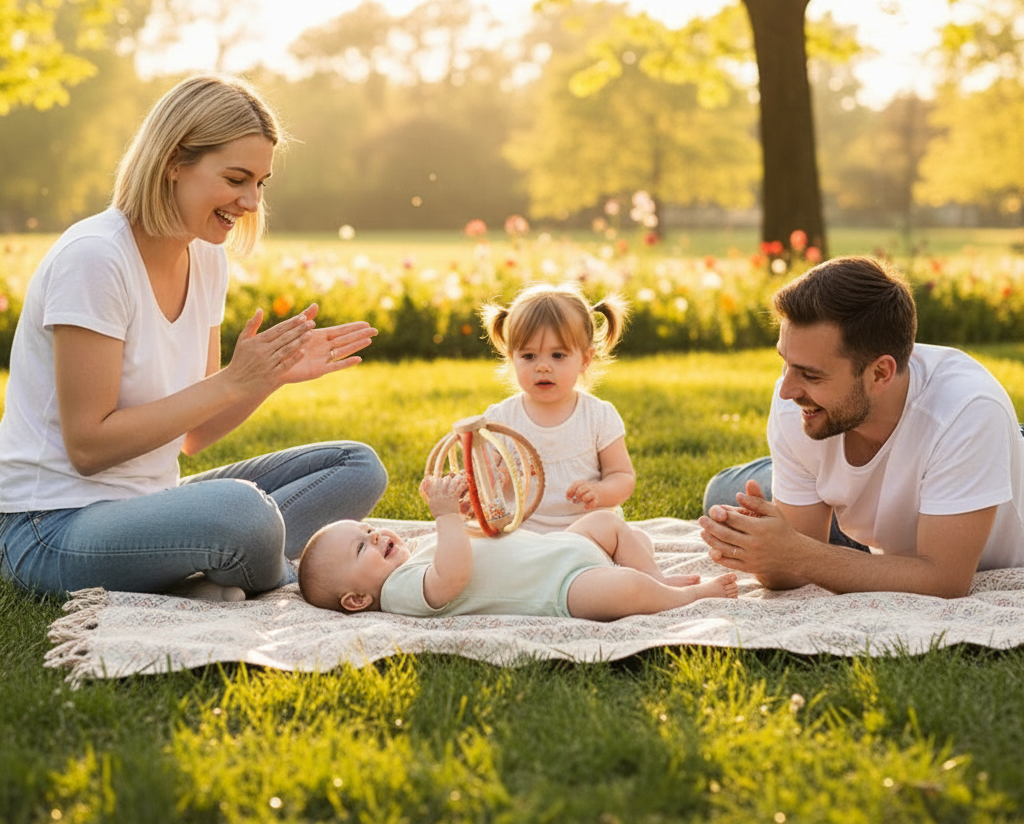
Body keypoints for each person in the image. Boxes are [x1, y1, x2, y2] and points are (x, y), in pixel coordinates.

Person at [0, 74, 388, 601]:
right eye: (236, 178)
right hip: (50, 527)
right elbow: (88, 447)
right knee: (242, 513)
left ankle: (210, 573)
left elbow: (192, 436)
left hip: (149, 502)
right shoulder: (94, 258)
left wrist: (264, 379)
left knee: (357, 466)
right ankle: (257, 572)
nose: (251, 201)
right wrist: (233, 381)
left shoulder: (205, 256)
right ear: (173, 162)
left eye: (260, 183)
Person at [698, 255, 1024, 598]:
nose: (786, 391)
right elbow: (790, 564)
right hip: (881, 514)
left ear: (880, 373)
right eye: (786, 364)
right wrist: (767, 550)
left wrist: (797, 552)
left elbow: (943, 580)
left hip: (987, 453)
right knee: (722, 499)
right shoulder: (797, 406)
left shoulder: (966, 413)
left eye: (810, 374)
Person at [299, 472, 738, 618]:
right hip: (561, 586)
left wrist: (466, 517)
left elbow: (481, 542)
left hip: (563, 548)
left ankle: (656, 576)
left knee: (606, 521)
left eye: (368, 531)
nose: (376, 537)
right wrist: (446, 517)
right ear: (357, 599)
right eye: (362, 549)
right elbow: (454, 576)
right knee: (625, 590)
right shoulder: (398, 593)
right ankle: (685, 595)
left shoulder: (422, 553)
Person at [476, 282, 633, 533]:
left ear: (585, 359)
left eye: (557, 355)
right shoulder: (501, 418)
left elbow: (623, 476)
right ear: (511, 357)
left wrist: (600, 491)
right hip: (522, 532)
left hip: (585, 530)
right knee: (479, 547)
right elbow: (483, 478)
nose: (543, 367)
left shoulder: (598, 416)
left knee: (630, 539)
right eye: (528, 356)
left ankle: (652, 575)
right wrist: (496, 480)